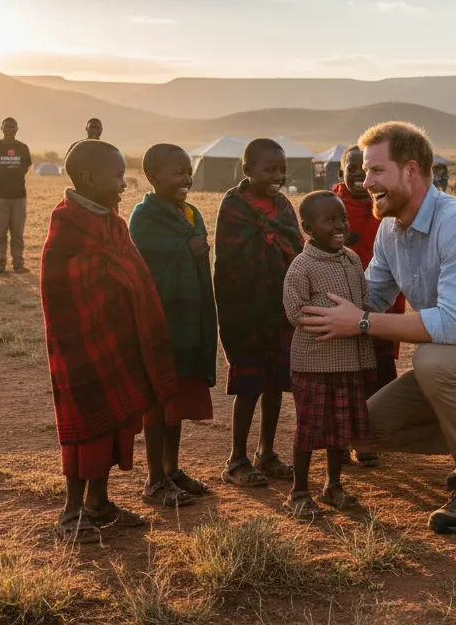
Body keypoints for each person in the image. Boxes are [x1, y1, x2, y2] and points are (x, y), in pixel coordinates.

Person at [299, 122, 456, 535]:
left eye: (377, 171)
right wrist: (312, 291)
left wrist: (361, 324)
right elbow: (371, 298)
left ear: (410, 170)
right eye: (365, 172)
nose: (366, 182)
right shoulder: (390, 231)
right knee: (363, 430)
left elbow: (450, 325)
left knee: (432, 358)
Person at [40, 140, 185, 544]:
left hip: (118, 338)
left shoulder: (112, 221)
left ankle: (100, 504)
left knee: (115, 422)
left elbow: (130, 271)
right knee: (86, 424)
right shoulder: (67, 223)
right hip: (81, 344)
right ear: (89, 178)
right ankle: (72, 511)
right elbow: (62, 287)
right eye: (119, 175)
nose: (125, 183)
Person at [128, 143, 217, 503]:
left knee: (175, 400)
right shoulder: (144, 217)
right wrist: (187, 251)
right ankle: (153, 479)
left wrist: (194, 252)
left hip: (189, 319)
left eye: (188, 170)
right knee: (157, 399)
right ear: (153, 177)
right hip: (160, 322)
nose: (186, 177)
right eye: (177, 171)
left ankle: (172, 469)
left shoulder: (191, 213)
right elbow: (144, 270)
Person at [281, 190, 376, 518]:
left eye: (342, 219)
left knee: (341, 430)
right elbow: (294, 311)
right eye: (330, 220)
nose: (340, 225)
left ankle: (332, 485)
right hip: (314, 362)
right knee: (309, 429)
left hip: (347, 361)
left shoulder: (352, 259)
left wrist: (359, 318)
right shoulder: (301, 266)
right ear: (308, 227)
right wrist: (333, 320)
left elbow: (364, 299)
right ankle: (299, 491)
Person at [215, 138, 302, 488]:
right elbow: (228, 259)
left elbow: (296, 245)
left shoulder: (283, 206)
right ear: (248, 170)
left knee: (275, 384)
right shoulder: (233, 206)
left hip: (279, 310)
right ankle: (236, 458)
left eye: (282, 169)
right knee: (249, 383)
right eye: (270, 169)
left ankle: (266, 453)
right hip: (247, 309)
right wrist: (264, 241)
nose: (277, 175)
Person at [333, 145, 405, 467]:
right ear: (340, 173)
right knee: (343, 373)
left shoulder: (388, 206)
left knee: (378, 371)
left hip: (383, 305)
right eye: (353, 170)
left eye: (368, 171)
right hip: (341, 302)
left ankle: (370, 437)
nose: (361, 179)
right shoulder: (329, 208)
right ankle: (341, 437)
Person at [0, 118, 33, 274]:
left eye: (12, 127)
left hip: (19, 196)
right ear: (2, 128)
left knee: (17, 233)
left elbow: (25, 167)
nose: (9, 130)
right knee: (0, 232)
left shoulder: (22, 148)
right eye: (6, 127)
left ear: (17, 129)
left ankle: (18, 264)